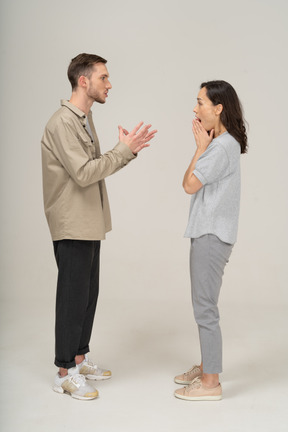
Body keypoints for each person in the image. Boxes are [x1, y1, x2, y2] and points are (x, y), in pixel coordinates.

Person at [41, 53, 157, 400]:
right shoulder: (63, 122)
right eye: (103, 77)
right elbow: (84, 173)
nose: (109, 84)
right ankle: (64, 371)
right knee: (72, 297)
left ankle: (79, 357)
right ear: (84, 81)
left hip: (88, 222)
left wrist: (126, 151)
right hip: (72, 222)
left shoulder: (83, 118)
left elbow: (94, 168)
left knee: (87, 295)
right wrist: (123, 150)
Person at [174, 80, 248, 401]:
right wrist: (202, 148)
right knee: (206, 306)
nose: (195, 108)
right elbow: (188, 183)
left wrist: (200, 148)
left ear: (218, 109)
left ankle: (210, 384)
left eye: (201, 102)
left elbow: (189, 185)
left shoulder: (221, 147)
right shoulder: (224, 144)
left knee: (205, 309)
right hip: (211, 234)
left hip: (210, 236)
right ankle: (208, 365)